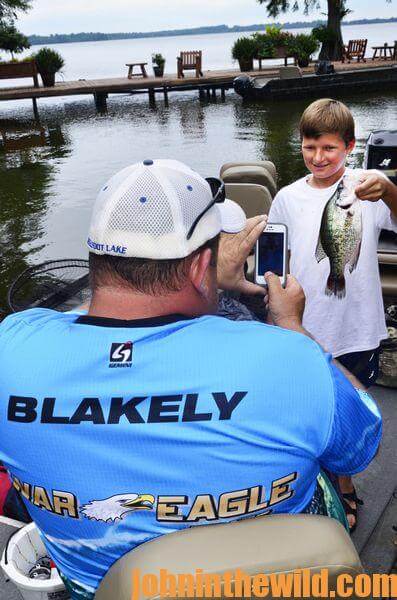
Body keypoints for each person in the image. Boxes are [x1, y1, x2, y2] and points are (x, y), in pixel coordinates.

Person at [0, 159, 381, 599]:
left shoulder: (13, 349)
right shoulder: (290, 359)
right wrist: (290, 324)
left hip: (95, 587)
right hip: (270, 583)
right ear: (203, 266)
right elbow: (361, 443)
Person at [268, 98, 397, 531]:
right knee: (309, 409)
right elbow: (278, 258)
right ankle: (321, 481)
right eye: (309, 147)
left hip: (358, 329)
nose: (318, 157)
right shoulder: (287, 197)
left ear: (349, 146)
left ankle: (341, 482)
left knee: (347, 412)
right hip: (305, 328)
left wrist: (391, 189)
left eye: (328, 148)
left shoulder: (367, 189)